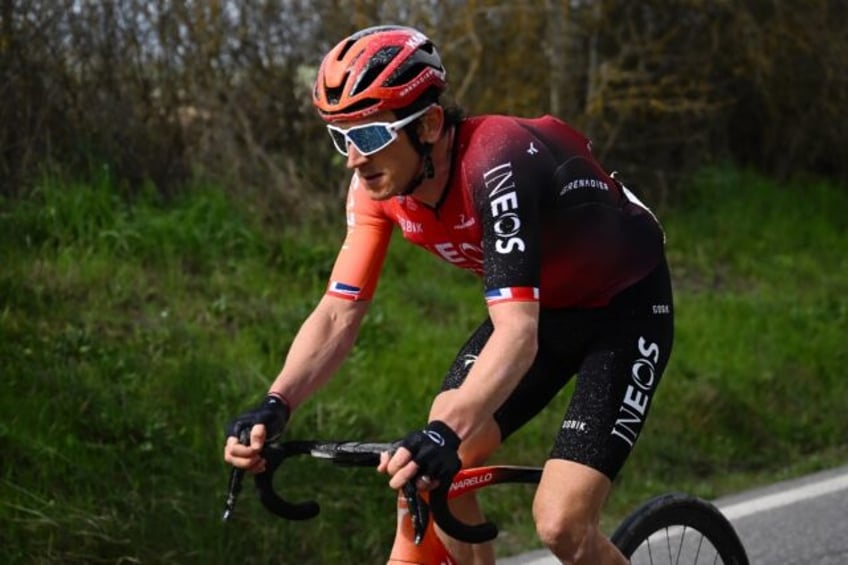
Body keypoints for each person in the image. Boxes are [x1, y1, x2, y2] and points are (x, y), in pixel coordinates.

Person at [224, 24, 674, 565]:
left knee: (562, 524)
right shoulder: (377, 188)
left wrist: (444, 433)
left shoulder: (496, 162)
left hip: (623, 311)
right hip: (544, 308)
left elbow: (516, 332)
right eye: (340, 138)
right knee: (426, 477)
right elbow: (340, 310)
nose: (352, 158)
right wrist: (276, 404)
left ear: (430, 124)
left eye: (367, 136)